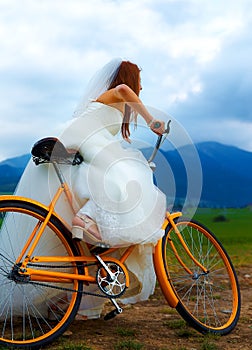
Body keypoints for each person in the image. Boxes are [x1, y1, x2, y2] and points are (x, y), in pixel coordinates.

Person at [13, 58, 168, 319]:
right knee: (126, 176)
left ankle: (65, 297)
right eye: (139, 82)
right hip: (83, 137)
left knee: (97, 182)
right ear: (130, 79)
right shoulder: (116, 93)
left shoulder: (110, 105)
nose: (140, 88)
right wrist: (152, 121)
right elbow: (123, 91)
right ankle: (86, 219)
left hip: (79, 138)